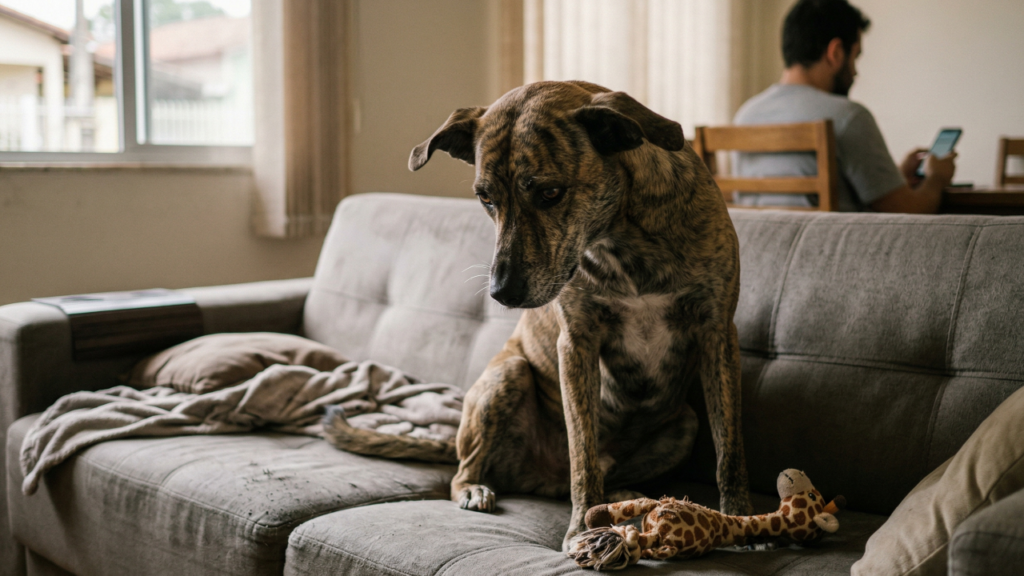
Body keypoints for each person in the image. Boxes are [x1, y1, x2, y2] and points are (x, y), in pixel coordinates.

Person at [733, 0, 956, 213]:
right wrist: (937, 178)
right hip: (831, 251)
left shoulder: (744, 117)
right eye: (855, 57)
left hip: (758, 251)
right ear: (836, 52)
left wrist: (893, 176)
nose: (856, 72)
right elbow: (908, 210)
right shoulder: (848, 116)